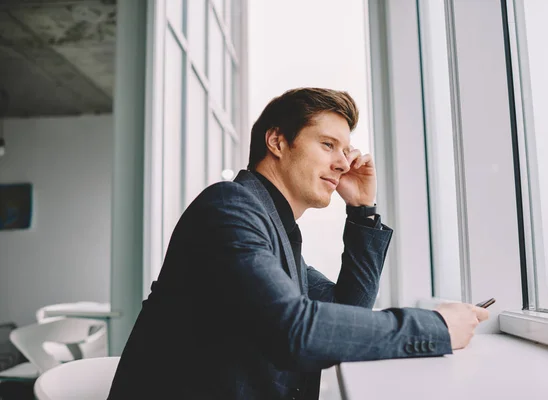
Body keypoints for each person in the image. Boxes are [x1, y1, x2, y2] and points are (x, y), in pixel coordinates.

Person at [107, 88, 489, 400]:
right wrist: (435, 328)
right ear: (277, 141)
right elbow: (295, 330)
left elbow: (346, 311)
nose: (342, 163)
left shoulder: (278, 235)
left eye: (345, 150)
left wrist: (361, 211)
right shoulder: (229, 208)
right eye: (328, 144)